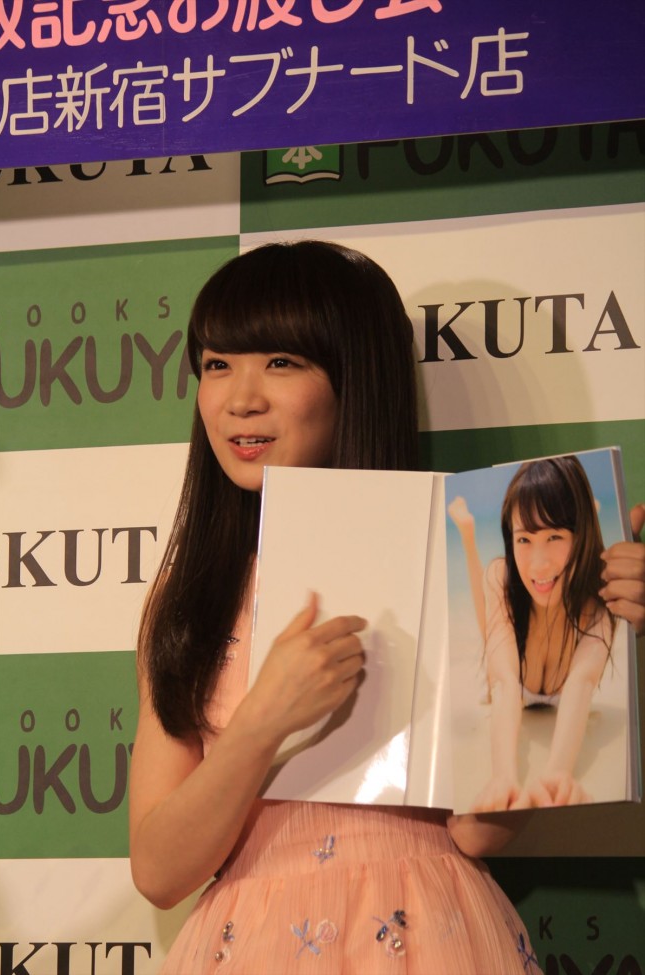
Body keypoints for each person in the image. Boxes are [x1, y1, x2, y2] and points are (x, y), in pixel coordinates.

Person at [129, 240, 642, 973]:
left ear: (355, 377)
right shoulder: (193, 591)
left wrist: (591, 628)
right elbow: (158, 869)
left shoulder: (455, 562)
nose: (239, 398)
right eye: (217, 365)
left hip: (431, 934)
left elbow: (478, 833)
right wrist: (264, 720)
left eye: (281, 362)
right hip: (249, 942)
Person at [448, 459, 645, 813]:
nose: (538, 563)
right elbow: (505, 683)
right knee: (491, 629)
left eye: (554, 536)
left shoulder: (599, 597)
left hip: (561, 682)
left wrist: (558, 772)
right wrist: (503, 777)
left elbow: (581, 683)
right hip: (513, 682)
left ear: (579, 536)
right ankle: (467, 533)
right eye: (524, 539)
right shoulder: (503, 575)